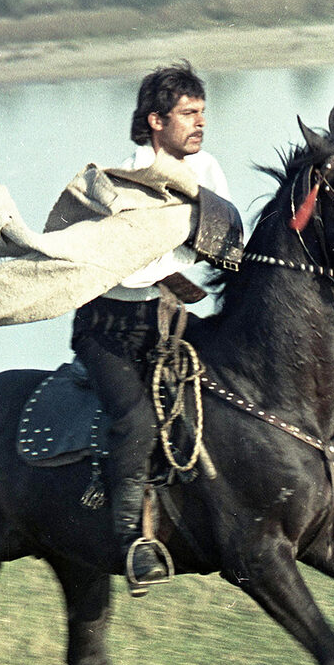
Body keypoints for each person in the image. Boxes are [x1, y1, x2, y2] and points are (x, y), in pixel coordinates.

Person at [71, 62, 232, 592]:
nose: (199, 122)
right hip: (110, 330)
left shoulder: (208, 170)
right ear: (156, 120)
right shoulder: (122, 183)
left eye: (202, 112)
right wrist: (176, 264)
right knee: (138, 422)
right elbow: (133, 267)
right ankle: (129, 543)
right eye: (188, 113)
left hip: (170, 321)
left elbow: (227, 239)